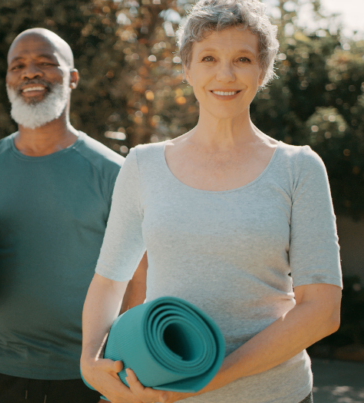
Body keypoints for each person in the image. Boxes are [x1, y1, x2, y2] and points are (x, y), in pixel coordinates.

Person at [80, 1, 342, 402]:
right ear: (187, 70)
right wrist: (89, 362)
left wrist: (203, 381)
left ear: (262, 71)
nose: (225, 74)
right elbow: (109, 280)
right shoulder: (143, 164)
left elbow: (322, 310)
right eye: (208, 58)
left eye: (242, 58)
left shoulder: (299, 168)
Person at [0, 28, 145, 403]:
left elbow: (141, 277)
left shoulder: (114, 173)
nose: (30, 73)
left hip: (87, 376)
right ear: (7, 80)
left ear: (72, 77)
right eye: (17, 65)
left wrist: (125, 365)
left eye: (46, 63)